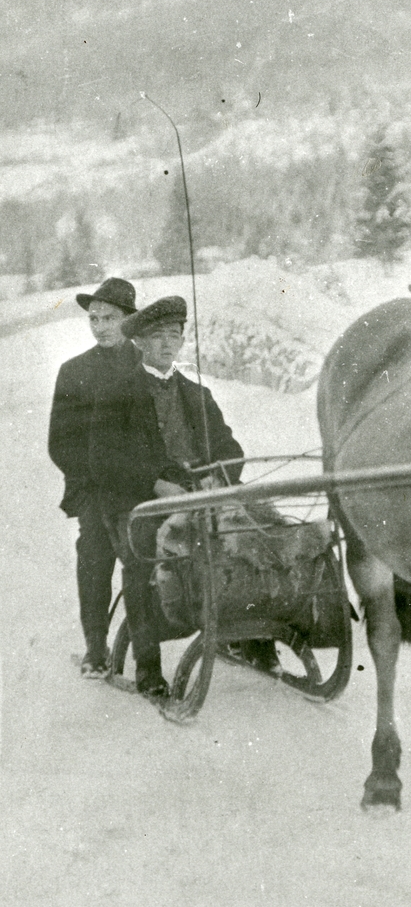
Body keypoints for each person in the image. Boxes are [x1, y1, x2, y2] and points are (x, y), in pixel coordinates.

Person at [89, 296, 244, 698]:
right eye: (157, 336)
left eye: (173, 335)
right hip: (137, 503)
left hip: (197, 497)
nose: (167, 344)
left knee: (248, 534)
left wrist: (218, 477)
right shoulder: (116, 394)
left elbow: (231, 449)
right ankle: (149, 666)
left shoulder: (197, 395)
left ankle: (251, 638)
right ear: (139, 343)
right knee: (144, 554)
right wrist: (155, 484)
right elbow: (104, 460)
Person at [48, 277, 140, 679]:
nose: (100, 326)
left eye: (110, 318)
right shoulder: (74, 372)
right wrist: (94, 482)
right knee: (96, 555)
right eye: (94, 318)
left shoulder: (148, 364)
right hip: (95, 489)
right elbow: (60, 443)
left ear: (130, 321)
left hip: (144, 485)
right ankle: (96, 648)